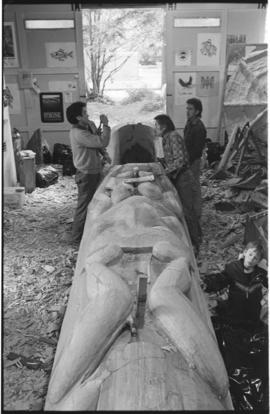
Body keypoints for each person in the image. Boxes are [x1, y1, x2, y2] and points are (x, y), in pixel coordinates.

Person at [203, 241, 268, 409]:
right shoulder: (233, 268)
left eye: (257, 257)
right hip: (234, 321)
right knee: (235, 363)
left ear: (259, 260)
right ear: (245, 253)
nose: (252, 259)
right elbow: (221, 279)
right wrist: (207, 283)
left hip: (252, 323)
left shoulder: (261, 275)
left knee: (257, 361)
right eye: (251, 254)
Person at [154, 114, 201, 255]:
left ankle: (195, 243)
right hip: (177, 176)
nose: (155, 128)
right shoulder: (166, 138)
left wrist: (164, 173)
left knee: (187, 211)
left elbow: (180, 160)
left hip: (183, 178)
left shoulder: (173, 136)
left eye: (156, 125)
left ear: (164, 126)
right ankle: (194, 237)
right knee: (182, 209)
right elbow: (171, 158)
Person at [66, 101, 111, 244]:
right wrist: (106, 125)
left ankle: (91, 231)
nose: (88, 114)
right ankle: (76, 238)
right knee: (84, 206)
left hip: (94, 170)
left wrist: (105, 155)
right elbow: (101, 141)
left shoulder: (88, 125)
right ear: (78, 117)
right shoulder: (78, 133)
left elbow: (98, 142)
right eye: (85, 113)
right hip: (86, 173)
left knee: (96, 202)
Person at [184, 98, 206, 223]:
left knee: (194, 186)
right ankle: (191, 210)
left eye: (190, 109)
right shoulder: (189, 123)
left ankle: (197, 214)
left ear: (197, 111)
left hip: (193, 161)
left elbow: (197, 150)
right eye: (187, 108)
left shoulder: (199, 127)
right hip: (188, 159)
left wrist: (187, 162)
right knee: (189, 185)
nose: (187, 111)